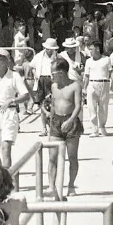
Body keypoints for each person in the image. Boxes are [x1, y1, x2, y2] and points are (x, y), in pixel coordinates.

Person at [0, 48, 34, 169]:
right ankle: (0, 178)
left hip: (9, 113)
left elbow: (25, 95)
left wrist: (12, 100)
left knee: (6, 149)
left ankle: (6, 180)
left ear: (7, 61)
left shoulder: (14, 76)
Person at [45, 58, 84, 197]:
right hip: (56, 123)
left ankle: (71, 185)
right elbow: (53, 105)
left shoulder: (75, 86)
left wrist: (71, 120)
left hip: (71, 122)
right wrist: (50, 124)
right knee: (52, 157)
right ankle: (51, 186)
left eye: (53, 73)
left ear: (61, 73)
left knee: (72, 157)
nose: (51, 76)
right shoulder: (54, 86)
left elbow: (78, 105)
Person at [82, 42, 112, 136]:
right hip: (92, 83)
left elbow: (111, 72)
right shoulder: (88, 61)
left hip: (103, 83)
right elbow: (86, 75)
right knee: (91, 107)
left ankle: (102, 127)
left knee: (103, 107)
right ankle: (94, 129)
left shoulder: (106, 59)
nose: (90, 51)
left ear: (97, 49)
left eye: (91, 49)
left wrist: (111, 84)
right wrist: (84, 88)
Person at [32, 37, 60, 104]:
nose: (50, 51)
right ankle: (43, 112)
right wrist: (35, 74)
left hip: (52, 78)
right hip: (41, 78)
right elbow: (32, 67)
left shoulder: (58, 56)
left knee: (52, 97)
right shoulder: (38, 56)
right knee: (42, 98)